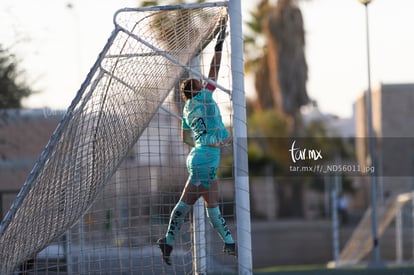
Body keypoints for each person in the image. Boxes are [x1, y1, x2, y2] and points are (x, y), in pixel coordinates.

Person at [156, 24, 236, 265]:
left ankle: (169, 240)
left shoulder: (188, 110)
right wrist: (219, 43)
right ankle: (230, 243)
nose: (203, 83)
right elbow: (215, 69)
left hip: (197, 156)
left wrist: (203, 141)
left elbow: (184, 138)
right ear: (195, 89)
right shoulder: (205, 96)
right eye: (198, 83)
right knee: (210, 205)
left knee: (191, 202)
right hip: (207, 157)